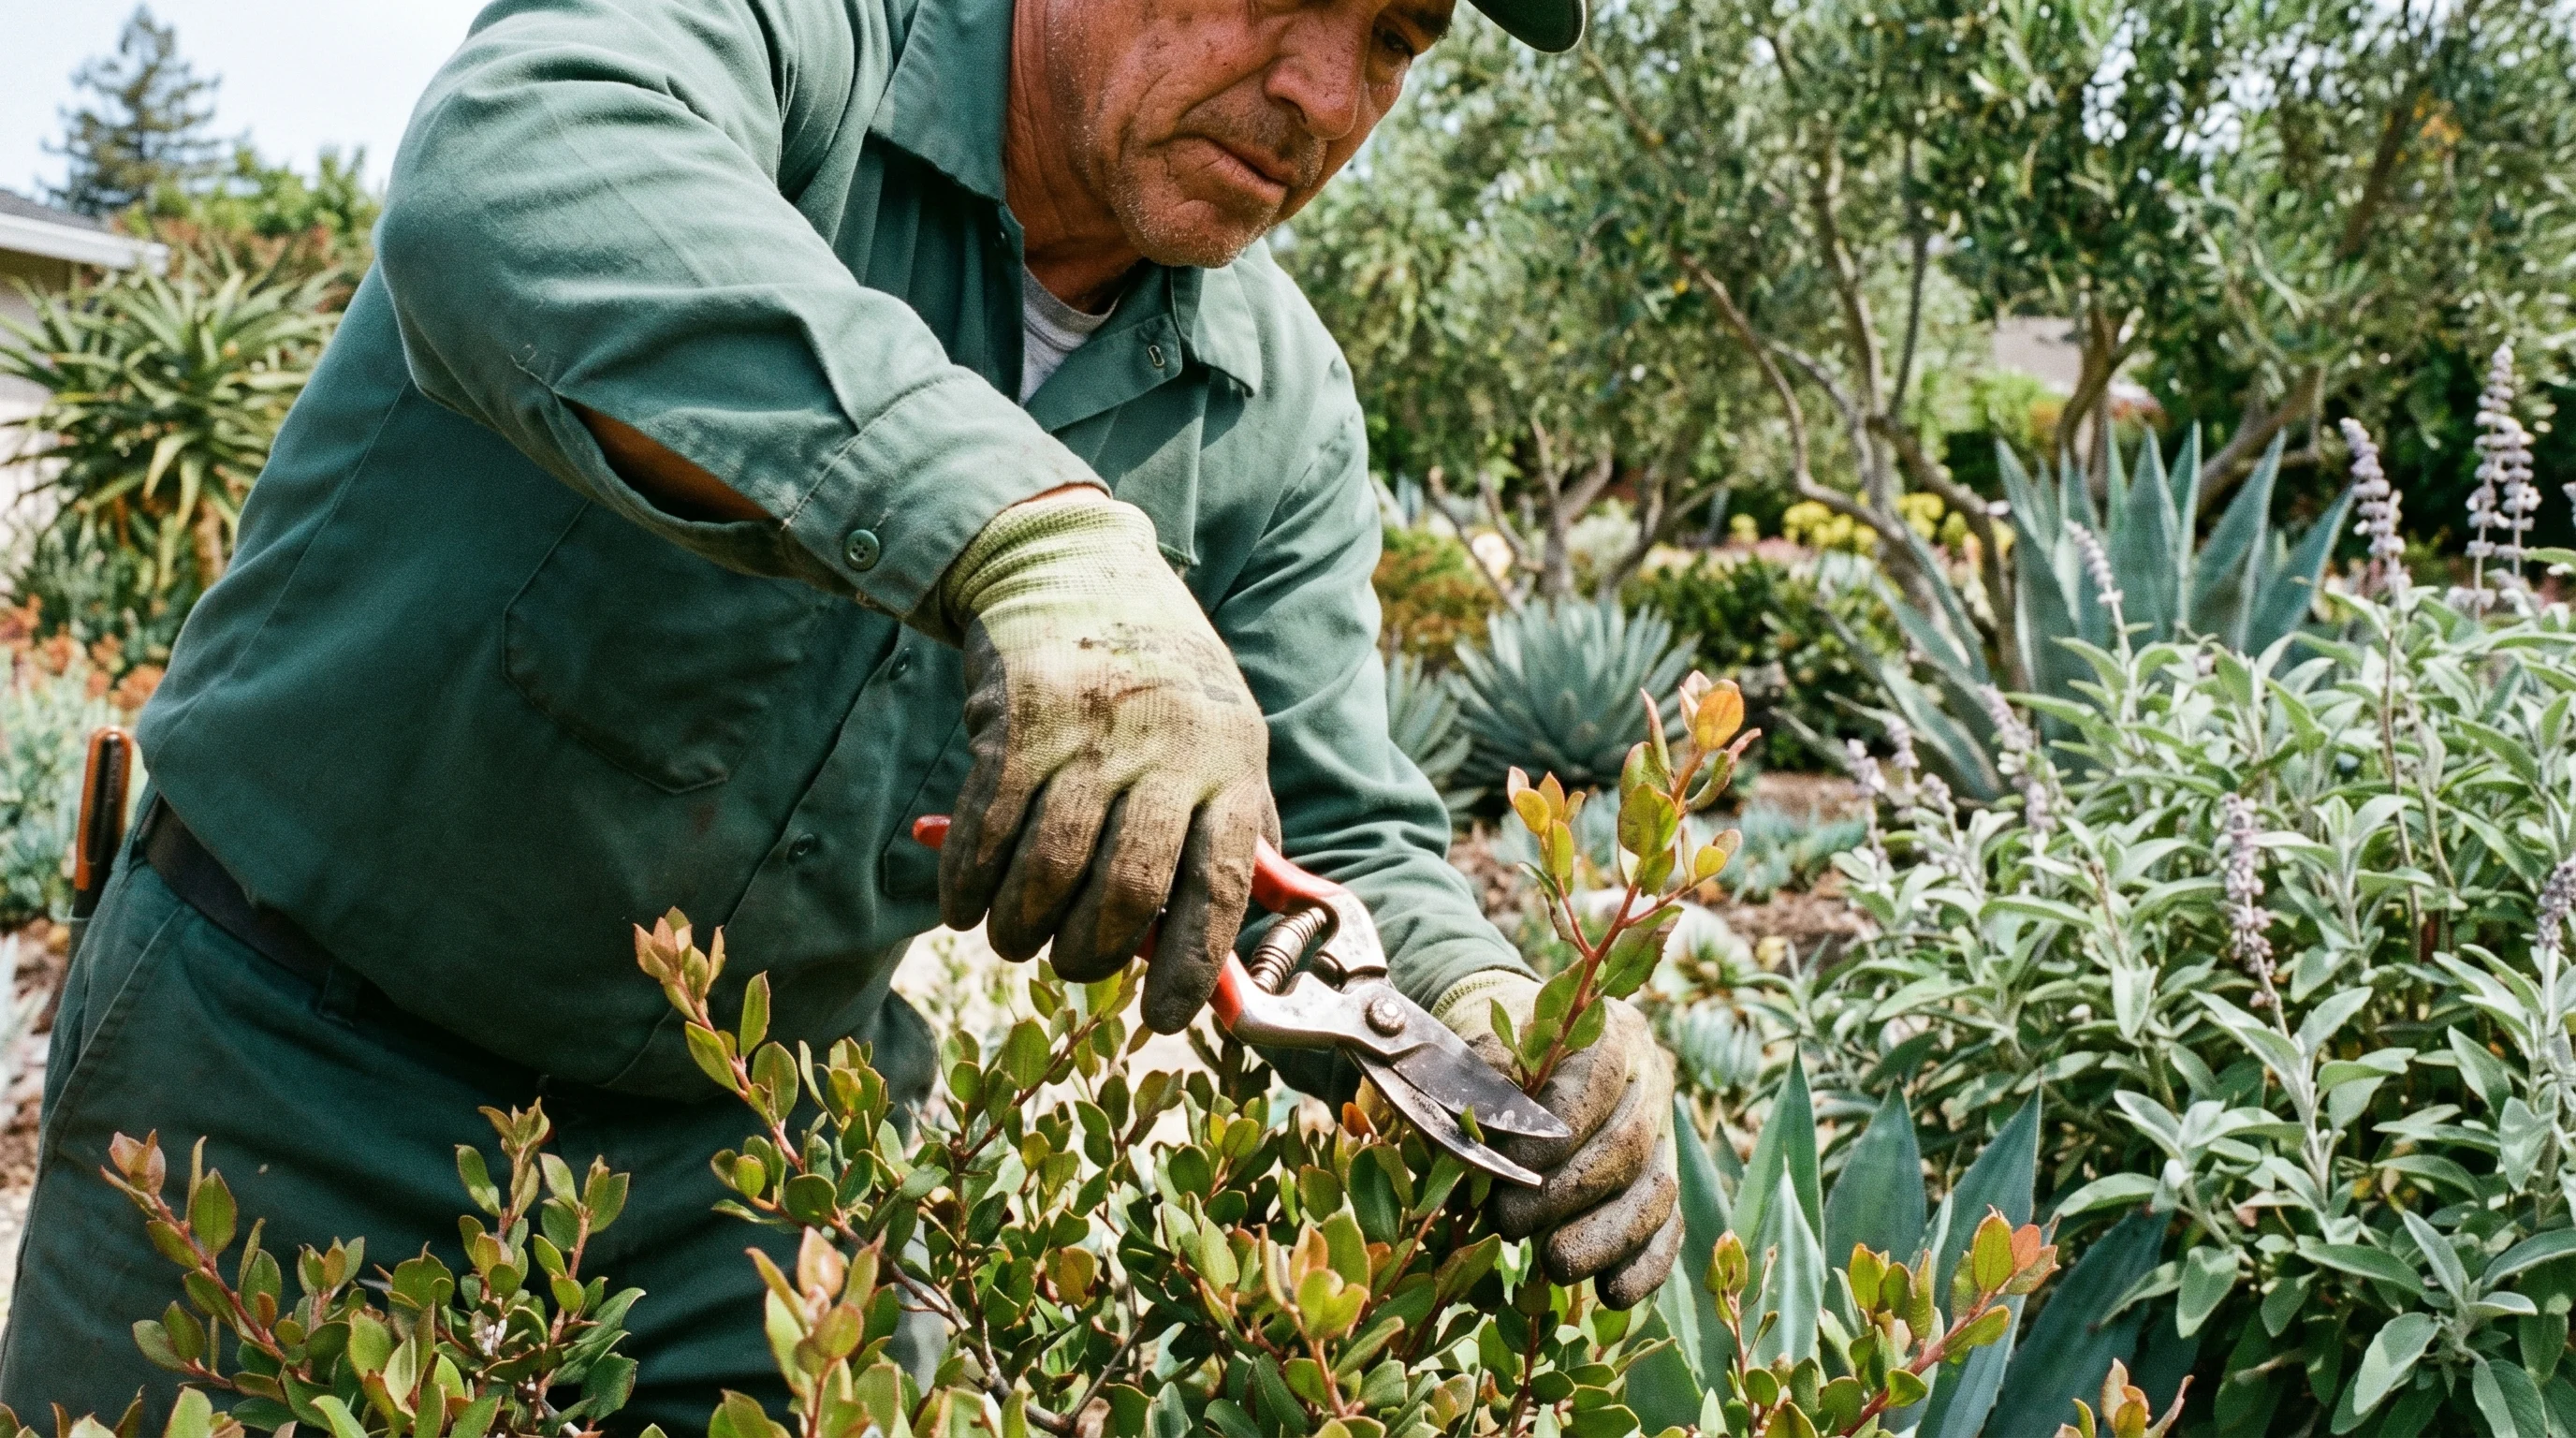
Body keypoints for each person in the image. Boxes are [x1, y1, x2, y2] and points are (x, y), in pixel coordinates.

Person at [0, 0, 1679, 1419]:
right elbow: (514, 166)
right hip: (275, 1068)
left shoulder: (1278, 408)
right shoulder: (797, 37)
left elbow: (1335, 818)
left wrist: (1491, 1019)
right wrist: (1029, 533)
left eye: (1394, 36)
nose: (1325, 93)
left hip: (762, 1178)